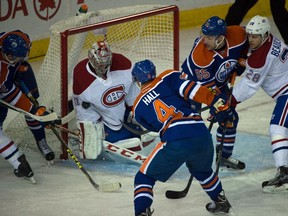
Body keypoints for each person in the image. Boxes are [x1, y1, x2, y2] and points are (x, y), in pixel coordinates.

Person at [132, 59, 234, 215]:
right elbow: (193, 90)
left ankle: (141, 212)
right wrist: (219, 105)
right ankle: (221, 201)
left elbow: (154, 127)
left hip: (175, 139)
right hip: (201, 134)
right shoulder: (168, 76)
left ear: (136, 80)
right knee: (203, 171)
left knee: (144, 178)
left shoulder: (137, 106)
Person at [181, 16, 247, 170]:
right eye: (203, 36)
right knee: (191, 121)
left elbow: (247, 42)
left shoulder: (237, 33)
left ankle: (223, 157)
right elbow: (208, 91)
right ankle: (191, 157)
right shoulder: (200, 56)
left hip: (218, 83)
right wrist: (217, 106)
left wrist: (242, 59)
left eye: (209, 37)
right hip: (192, 85)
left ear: (221, 38)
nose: (204, 40)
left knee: (230, 118)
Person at [231, 15, 288, 192]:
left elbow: (248, 86)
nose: (250, 40)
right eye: (249, 35)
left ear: (264, 35)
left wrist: (229, 101)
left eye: (255, 37)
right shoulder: (269, 40)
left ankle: (284, 172)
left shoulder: (261, 59)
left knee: (277, 128)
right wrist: (245, 62)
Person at [72, 40, 154, 160]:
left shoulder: (123, 64)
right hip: (102, 119)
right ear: (91, 58)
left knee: (147, 132)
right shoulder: (81, 76)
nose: (103, 68)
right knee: (91, 153)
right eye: (100, 64)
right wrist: (89, 132)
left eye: (106, 64)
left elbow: (133, 92)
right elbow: (83, 110)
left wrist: (138, 111)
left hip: (123, 113)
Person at [0, 30, 54, 180]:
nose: (12, 58)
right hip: (4, 83)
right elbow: (9, 93)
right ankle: (18, 161)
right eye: (11, 56)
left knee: (32, 104)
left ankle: (41, 140)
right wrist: (34, 110)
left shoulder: (16, 40)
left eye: (16, 56)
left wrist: (34, 110)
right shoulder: (2, 71)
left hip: (19, 71)